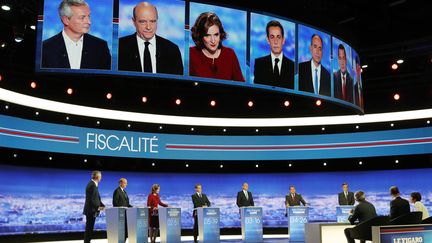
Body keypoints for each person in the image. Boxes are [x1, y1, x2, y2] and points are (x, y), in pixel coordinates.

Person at [42, 0, 111, 70]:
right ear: (66, 20)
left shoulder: (100, 46)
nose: (89, 22)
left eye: (89, 16)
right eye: (82, 17)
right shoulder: (45, 48)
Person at [118, 2, 183, 74]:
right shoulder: (120, 47)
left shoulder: (172, 50)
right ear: (134, 22)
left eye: (152, 21)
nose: (148, 27)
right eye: (143, 22)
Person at [189, 12, 245, 82]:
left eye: (216, 35)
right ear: (200, 35)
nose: (213, 40)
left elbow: (241, 85)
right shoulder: (191, 53)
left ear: (220, 34)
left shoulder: (229, 54)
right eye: (207, 35)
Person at [253, 20, 294, 89]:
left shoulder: (292, 66)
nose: (275, 41)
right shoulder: (259, 64)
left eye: (278, 37)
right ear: (268, 40)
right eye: (272, 37)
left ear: (283, 40)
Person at [83, 170, 105, 243]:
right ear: (97, 177)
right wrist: (99, 207)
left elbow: (96, 198)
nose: (101, 178)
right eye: (100, 177)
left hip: (91, 210)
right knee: (89, 229)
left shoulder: (93, 184)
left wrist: (102, 205)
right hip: (91, 210)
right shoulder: (92, 185)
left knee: (89, 229)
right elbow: (93, 199)